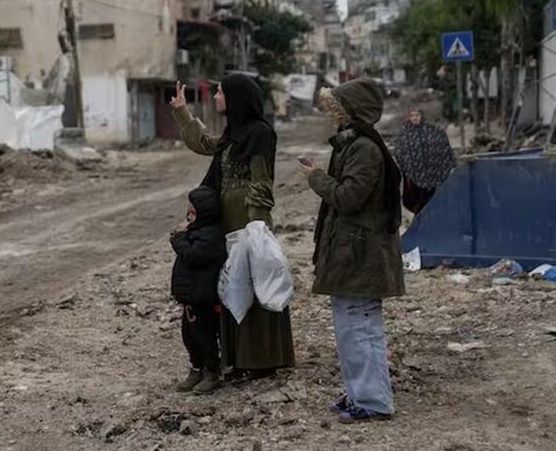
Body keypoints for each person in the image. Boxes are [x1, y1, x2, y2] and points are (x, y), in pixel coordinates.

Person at [170, 75, 296, 378]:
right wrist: (182, 111)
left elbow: (261, 181)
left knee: (254, 282)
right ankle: (237, 358)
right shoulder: (233, 134)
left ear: (237, 97)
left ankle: (261, 360)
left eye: (221, 92)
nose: (215, 97)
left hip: (247, 220)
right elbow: (206, 144)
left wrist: (255, 225)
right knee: (231, 284)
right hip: (228, 219)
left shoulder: (260, 134)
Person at [299, 79, 405, 424]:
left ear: (350, 112)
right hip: (352, 253)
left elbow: (348, 197)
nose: (331, 116)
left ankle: (373, 401)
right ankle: (359, 394)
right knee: (351, 328)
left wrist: (316, 178)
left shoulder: (364, 149)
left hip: (362, 254)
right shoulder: (354, 145)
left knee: (360, 328)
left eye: (335, 109)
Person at [170, 187, 228, 395]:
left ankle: (211, 372)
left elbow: (192, 256)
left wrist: (178, 238)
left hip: (203, 298)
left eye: (193, 213)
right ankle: (196, 368)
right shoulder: (196, 233)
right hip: (190, 297)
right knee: (189, 336)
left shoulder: (211, 236)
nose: (188, 217)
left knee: (205, 337)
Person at [394, 108, 456, 214]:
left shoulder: (432, 131)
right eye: (412, 115)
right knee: (413, 201)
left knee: (431, 201)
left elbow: (441, 146)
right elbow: (400, 151)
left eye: (417, 115)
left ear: (421, 116)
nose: (414, 118)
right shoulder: (404, 133)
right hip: (413, 175)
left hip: (432, 174)